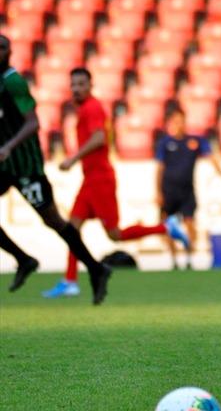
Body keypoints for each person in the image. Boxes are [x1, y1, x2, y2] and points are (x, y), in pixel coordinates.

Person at [43, 67, 189, 298]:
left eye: (81, 84)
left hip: (100, 179)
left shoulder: (92, 108)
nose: (76, 89)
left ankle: (165, 227)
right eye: (73, 85)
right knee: (71, 229)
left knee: (114, 235)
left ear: (90, 86)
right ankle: (70, 280)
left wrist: (72, 158)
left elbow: (99, 138)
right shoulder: (85, 109)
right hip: (90, 179)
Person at [0, 34, 112, 304]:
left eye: (2, 47)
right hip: (4, 167)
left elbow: (33, 123)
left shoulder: (13, 81)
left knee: (53, 220)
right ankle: (24, 259)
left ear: (10, 52)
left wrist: (9, 146)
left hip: (25, 166)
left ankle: (96, 268)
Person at [156, 108, 221, 270]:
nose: (179, 125)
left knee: (190, 223)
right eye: (176, 122)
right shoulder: (164, 143)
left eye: (181, 122)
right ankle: (174, 261)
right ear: (171, 124)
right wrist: (158, 191)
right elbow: (159, 168)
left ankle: (190, 258)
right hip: (169, 190)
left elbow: (211, 157)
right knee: (169, 225)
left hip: (187, 190)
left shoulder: (194, 141)